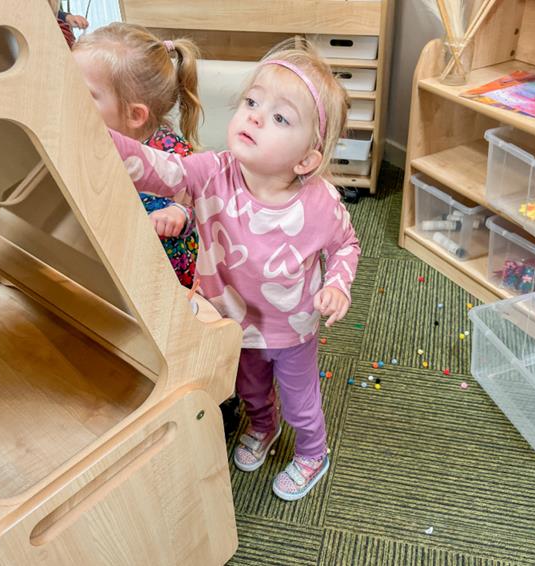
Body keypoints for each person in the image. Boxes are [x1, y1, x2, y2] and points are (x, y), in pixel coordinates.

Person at [107, 38, 360, 501]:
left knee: (301, 401)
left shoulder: (320, 204)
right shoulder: (212, 171)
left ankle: (312, 451)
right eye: (252, 102)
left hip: (291, 328)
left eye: (281, 117)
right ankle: (262, 427)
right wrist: (97, 136)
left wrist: (339, 286)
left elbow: (347, 245)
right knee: (249, 388)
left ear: (306, 159)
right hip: (231, 317)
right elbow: (159, 170)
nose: (257, 116)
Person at [73, 23, 201, 288]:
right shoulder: (85, 139)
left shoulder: (170, 150)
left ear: (135, 114)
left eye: (83, 94)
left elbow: (199, 197)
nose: (69, 98)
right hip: (113, 258)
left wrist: (178, 213)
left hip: (163, 271)